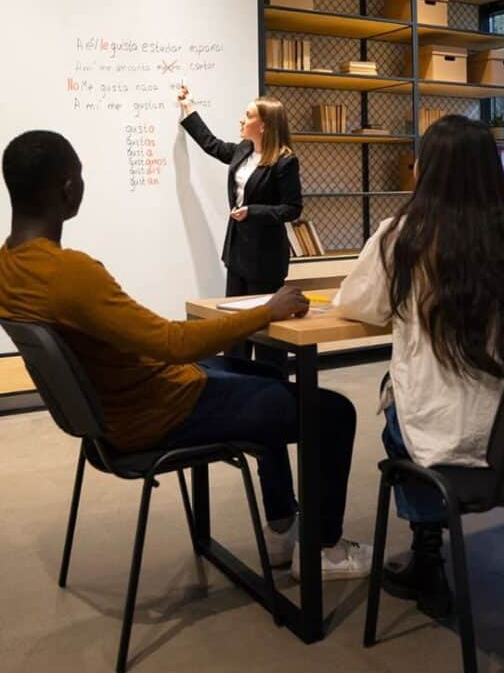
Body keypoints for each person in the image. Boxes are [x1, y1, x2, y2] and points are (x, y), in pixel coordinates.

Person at [0, 130, 371, 579]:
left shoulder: (9, 267)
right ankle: (325, 553)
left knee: (270, 381)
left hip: (121, 410)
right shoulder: (70, 273)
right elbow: (175, 345)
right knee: (333, 413)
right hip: (161, 410)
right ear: (70, 189)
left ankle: (281, 527)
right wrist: (266, 311)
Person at [334, 115, 504, 616]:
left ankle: (428, 554)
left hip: (441, 433)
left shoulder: (403, 235)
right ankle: (428, 551)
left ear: (424, 169)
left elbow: (357, 303)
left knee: (396, 397)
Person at [178, 87, 301, 371]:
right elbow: (213, 145)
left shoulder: (285, 161)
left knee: (268, 335)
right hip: (237, 253)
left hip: (266, 258)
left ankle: (273, 390)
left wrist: (253, 212)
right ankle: (239, 385)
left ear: (265, 125)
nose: (241, 121)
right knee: (236, 329)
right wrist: (189, 108)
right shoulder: (244, 151)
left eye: (247, 116)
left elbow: (292, 209)